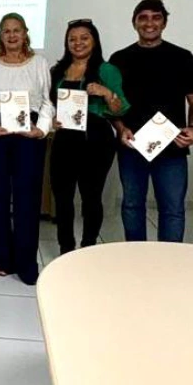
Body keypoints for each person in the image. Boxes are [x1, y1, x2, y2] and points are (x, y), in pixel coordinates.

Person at [109, 0, 193, 242]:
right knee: (132, 206)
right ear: (134, 23)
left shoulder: (182, 57)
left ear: (164, 23)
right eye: (143, 17)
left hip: (172, 148)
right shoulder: (119, 59)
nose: (149, 23)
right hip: (131, 146)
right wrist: (120, 128)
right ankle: (136, 258)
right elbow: (111, 106)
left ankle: (169, 265)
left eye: (156, 17)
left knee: (172, 210)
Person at [0, 13, 52, 285]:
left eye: (16, 30)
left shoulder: (39, 63)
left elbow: (47, 102)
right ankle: (2, 258)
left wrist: (41, 129)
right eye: (6, 31)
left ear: (25, 32)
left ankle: (26, 261)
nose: (11, 36)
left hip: (27, 133)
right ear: (0, 34)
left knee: (27, 199)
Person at [49, 19, 129, 253]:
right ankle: (66, 248)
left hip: (96, 138)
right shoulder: (58, 71)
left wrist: (106, 92)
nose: (78, 43)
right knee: (62, 198)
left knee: (91, 197)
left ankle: (88, 248)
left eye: (84, 38)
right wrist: (53, 119)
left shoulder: (106, 70)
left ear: (94, 41)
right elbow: (51, 105)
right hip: (65, 138)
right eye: (72, 39)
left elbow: (121, 108)